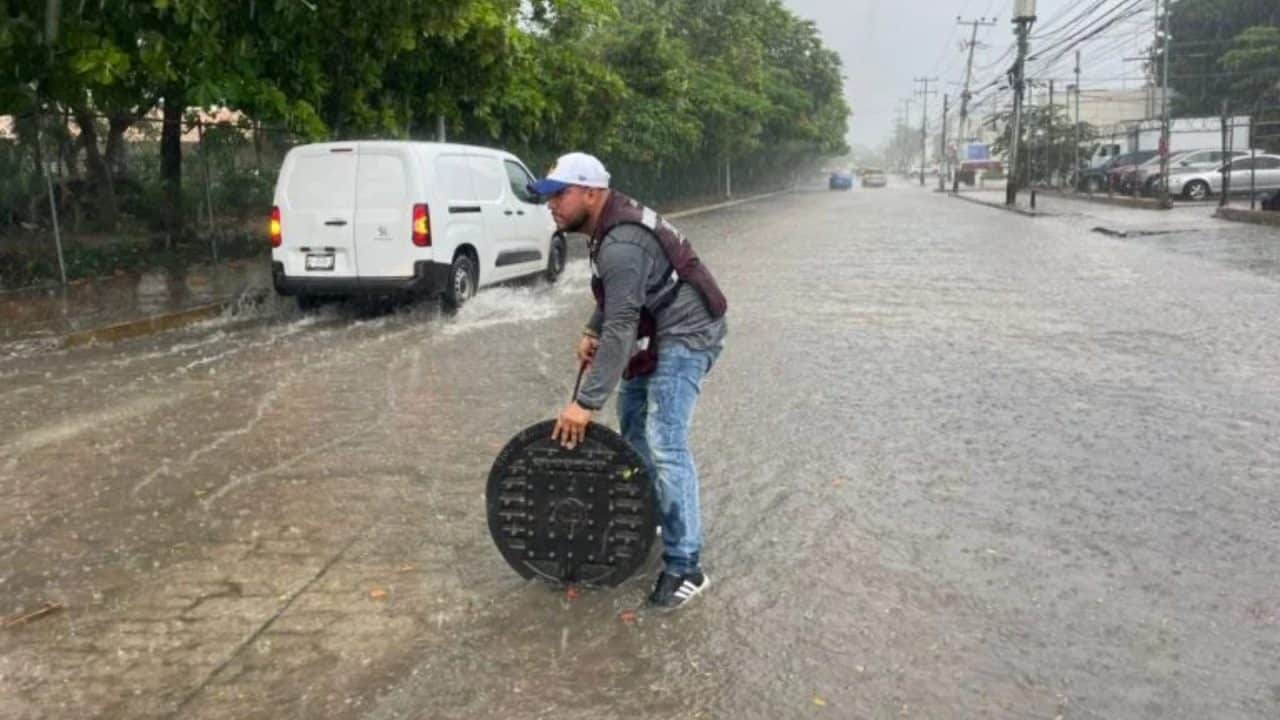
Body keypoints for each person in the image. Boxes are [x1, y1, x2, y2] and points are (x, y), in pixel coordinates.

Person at [532, 152, 728, 610]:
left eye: (560, 194)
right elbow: (621, 297)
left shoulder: (620, 242)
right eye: (549, 196)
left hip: (688, 333)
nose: (552, 205)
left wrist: (585, 403)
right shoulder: (610, 229)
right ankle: (653, 516)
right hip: (660, 327)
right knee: (634, 425)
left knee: (664, 441)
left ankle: (685, 566)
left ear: (592, 194)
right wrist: (590, 328)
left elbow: (623, 323)